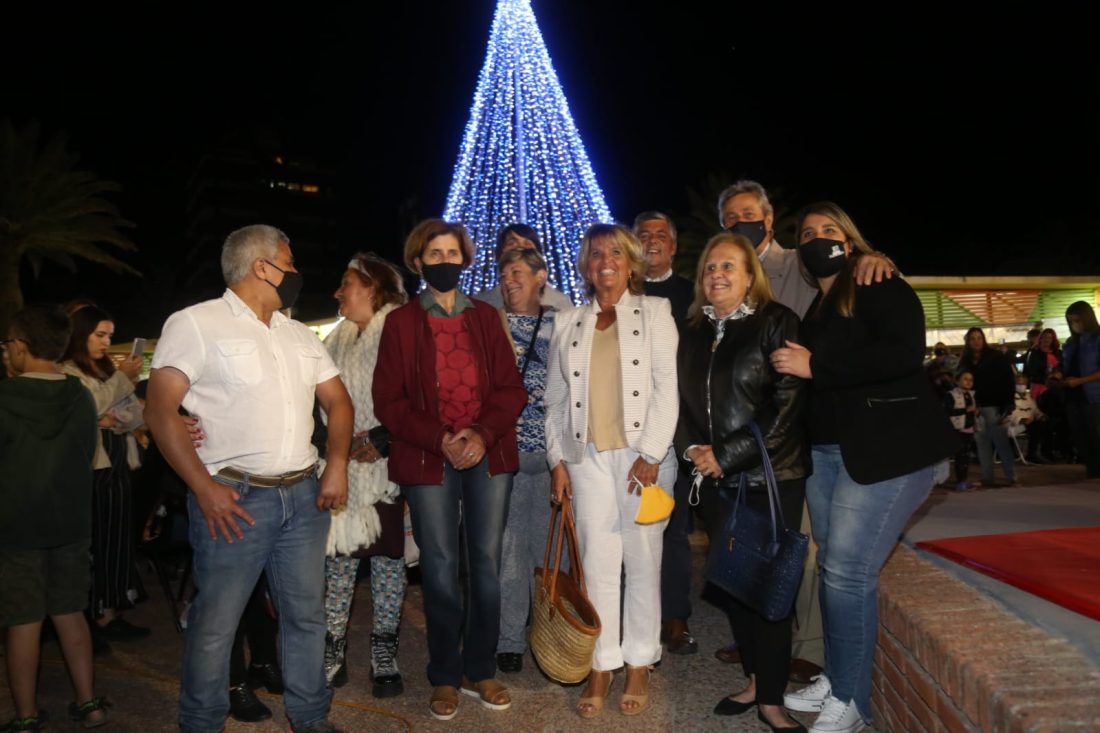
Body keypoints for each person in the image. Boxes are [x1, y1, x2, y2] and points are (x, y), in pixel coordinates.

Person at [145, 224, 354, 733]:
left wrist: (338, 464)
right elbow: (159, 410)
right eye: (290, 260)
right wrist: (203, 487)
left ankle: (309, 719)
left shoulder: (299, 333)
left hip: (303, 497)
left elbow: (338, 401)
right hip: (235, 497)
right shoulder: (197, 323)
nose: (297, 272)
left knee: (306, 618)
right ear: (262, 266)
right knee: (216, 624)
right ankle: (200, 723)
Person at [771, 202, 956, 733]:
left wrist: (816, 365)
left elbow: (904, 355)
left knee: (848, 573)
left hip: (885, 455)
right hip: (830, 455)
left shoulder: (878, 283)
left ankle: (852, 702)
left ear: (850, 243)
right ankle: (838, 675)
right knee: (834, 568)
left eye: (829, 231)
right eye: (807, 233)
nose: (817, 238)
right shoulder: (817, 309)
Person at [715, 180, 893, 680]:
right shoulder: (728, 272)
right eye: (729, 218)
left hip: (808, 424)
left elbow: (844, 262)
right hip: (756, 431)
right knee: (762, 539)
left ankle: (807, 647)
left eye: (748, 214)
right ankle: (759, 634)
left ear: (769, 220)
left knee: (810, 548)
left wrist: (874, 256)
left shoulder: (799, 261)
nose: (739, 223)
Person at [372, 219, 526, 722]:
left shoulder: (486, 316)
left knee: (484, 563)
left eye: (452, 253)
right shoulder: (399, 323)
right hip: (427, 455)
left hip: (488, 454)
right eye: (434, 254)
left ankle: (480, 668)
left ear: (466, 259)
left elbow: (510, 389)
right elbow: (388, 402)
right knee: (438, 568)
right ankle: (443, 674)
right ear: (418, 262)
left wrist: (480, 435)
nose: (444, 262)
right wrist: (441, 438)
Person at [545, 223, 679, 718]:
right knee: (597, 563)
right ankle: (601, 663)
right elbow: (554, 400)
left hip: (643, 456)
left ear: (631, 262)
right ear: (585, 265)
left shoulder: (657, 312)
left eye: (615, 253)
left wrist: (652, 453)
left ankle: (640, 660)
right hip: (588, 459)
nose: (605, 260)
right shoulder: (569, 321)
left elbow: (668, 387)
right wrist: (556, 460)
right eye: (595, 253)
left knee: (644, 559)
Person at [675, 233, 808, 732]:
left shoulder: (776, 322)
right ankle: (755, 678)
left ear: (750, 274)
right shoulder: (691, 332)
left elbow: (788, 405)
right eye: (710, 267)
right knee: (735, 585)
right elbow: (678, 403)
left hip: (768, 476)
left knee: (770, 588)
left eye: (729, 266)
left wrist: (726, 456)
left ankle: (772, 699)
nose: (718, 275)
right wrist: (692, 452)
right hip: (712, 479)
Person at [1, 305, 108, 731]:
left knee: (23, 621)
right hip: (71, 524)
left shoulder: (5, 397)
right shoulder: (79, 395)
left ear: (21, 348)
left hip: (17, 527)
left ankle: (26, 716)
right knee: (70, 612)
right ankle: (88, 704)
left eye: (8, 344)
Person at [319, 252, 409, 697]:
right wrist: (335, 447)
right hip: (341, 468)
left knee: (390, 561)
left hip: (388, 470)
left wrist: (385, 438)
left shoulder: (399, 328)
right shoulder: (332, 340)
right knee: (339, 559)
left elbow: (418, 393)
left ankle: (383, 653)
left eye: (347, 283)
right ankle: (332, 649)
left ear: (372, 288)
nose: (338, 291)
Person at [59, 305, 149, 643]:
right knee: (100, 539)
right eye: (100, 335)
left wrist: (115, 415)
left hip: (118, 461)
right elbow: (90, 409)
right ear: (80, 334)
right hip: (94, 468)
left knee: (117, 538)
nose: (106, 342)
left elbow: (134, 415)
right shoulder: (68, 370)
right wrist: (119, 386)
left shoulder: (104, 370)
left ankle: (111, 611)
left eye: (109, 335)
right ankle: (96, 615)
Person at [631, 210, 699, 657]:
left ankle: (675, 616)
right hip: (625, 427)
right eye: (644, 235)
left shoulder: (692, 293)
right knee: (627, 525)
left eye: (661, 234)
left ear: (673, 246)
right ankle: (633, 615)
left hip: (678, 425)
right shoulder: (618, 289)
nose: (652, 240)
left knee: (674, 527)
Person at [494, 246, 558, 674]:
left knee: (551, 555)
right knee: (510, 553)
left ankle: (551, 635)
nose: (509, 279)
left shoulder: (563, 323)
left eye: (518, 271)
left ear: (540, 277)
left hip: (553, 456)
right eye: (504, 273)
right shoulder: (488, 324)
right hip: (507, 455)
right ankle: (510, 639)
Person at [957, 327, 1018, 487]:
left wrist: (1009, 402)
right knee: (982, 443)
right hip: (975, 407)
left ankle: (1011, 476)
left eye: (979, 338)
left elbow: (1008, 380)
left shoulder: (996, 357)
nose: (976, 341)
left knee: (1001, 442)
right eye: (973, 338)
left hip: (994, 405)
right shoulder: (965, 360)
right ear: (968, 341)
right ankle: (987, 477)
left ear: (983, 339)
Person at [472, 223, 575, 310]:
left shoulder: (560, 303)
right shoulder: (482, 304)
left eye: (527, 244)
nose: (520, 248)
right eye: (512, 243)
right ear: (500, 254)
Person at [1062, 301, 1100, 478]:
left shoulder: (1096, 338)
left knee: (1096, 434)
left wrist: (1081, 380)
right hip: (1073, 395)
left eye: (1077, 320)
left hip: (1093, 396)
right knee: (1081, 436)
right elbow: (1066, 366)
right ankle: (1092, 470)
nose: (1074, 324)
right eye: (1070, 321)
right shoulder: (1071, 342)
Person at [945, 372, 979, 491]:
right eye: (965, 379)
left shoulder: (971, 395)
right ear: (957, 381)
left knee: (965, 456)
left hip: (969, 428)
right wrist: (966, 410)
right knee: (960, 456)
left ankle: (963, 480)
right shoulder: (951, 395)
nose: (969, 382)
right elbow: (947, 412)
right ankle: (960, 482)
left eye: (971, 379)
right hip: (957, 429)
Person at [1024, 328, 1062, 400]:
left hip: (1056, 386)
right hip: (1038, 385)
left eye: (1050, 338)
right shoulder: (1034, 353)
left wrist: (1059, 373)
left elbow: (1063, 367)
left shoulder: (1058, 353)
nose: (1047, 340)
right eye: (1044, 337)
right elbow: (1031, 370)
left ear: (1053, 340)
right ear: (1040, 338)